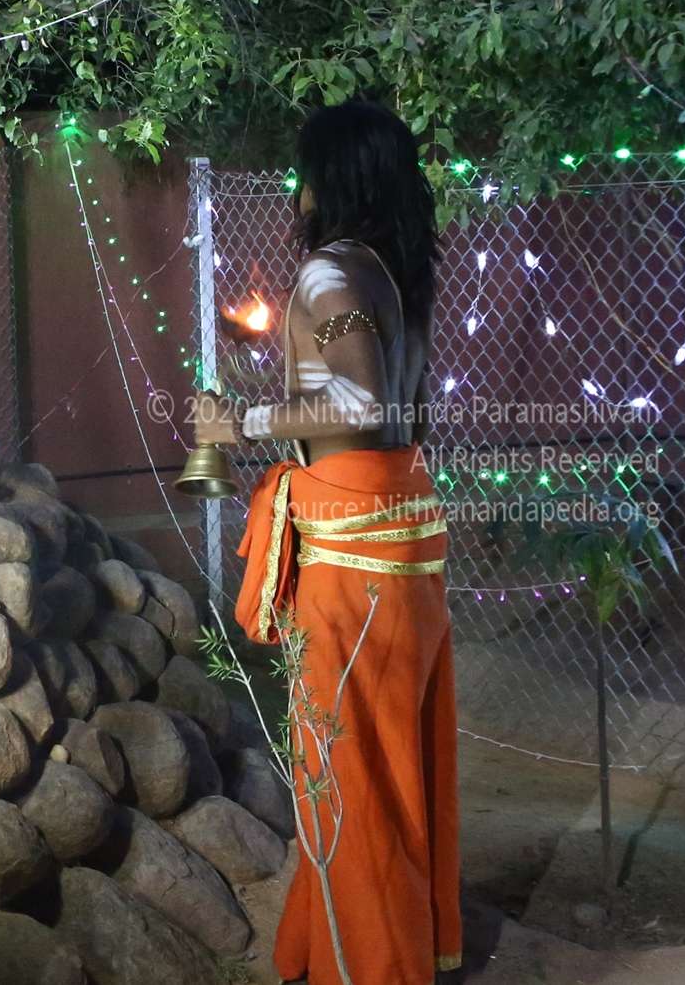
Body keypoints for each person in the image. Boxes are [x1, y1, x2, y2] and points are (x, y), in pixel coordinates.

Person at [192, 98, 461, 985]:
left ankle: (375, 968)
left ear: (332, 178)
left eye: (305, 169)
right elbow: (400, 406)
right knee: (387, 764)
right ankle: (340, 948)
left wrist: (239, 422)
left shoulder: (329, 276)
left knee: (348, 775)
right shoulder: (393, 275)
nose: (295, 186)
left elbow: (358, 399)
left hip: (353, 563)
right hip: (402, 543)